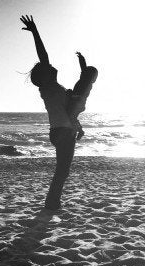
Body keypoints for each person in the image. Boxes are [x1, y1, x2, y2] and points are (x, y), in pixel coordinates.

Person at [20, 15, 92, 210]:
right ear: (44, 75)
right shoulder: (48, 87)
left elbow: (69, 111)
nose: (52, 67)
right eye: (48, 68)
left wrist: (78, 127)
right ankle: (52, 203)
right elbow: (44, 57)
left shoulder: (55, 88)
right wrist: (35, 32)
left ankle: (53, 202)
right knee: (62, 171)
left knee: (63, 171)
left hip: (62, 130)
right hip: (61, 132)